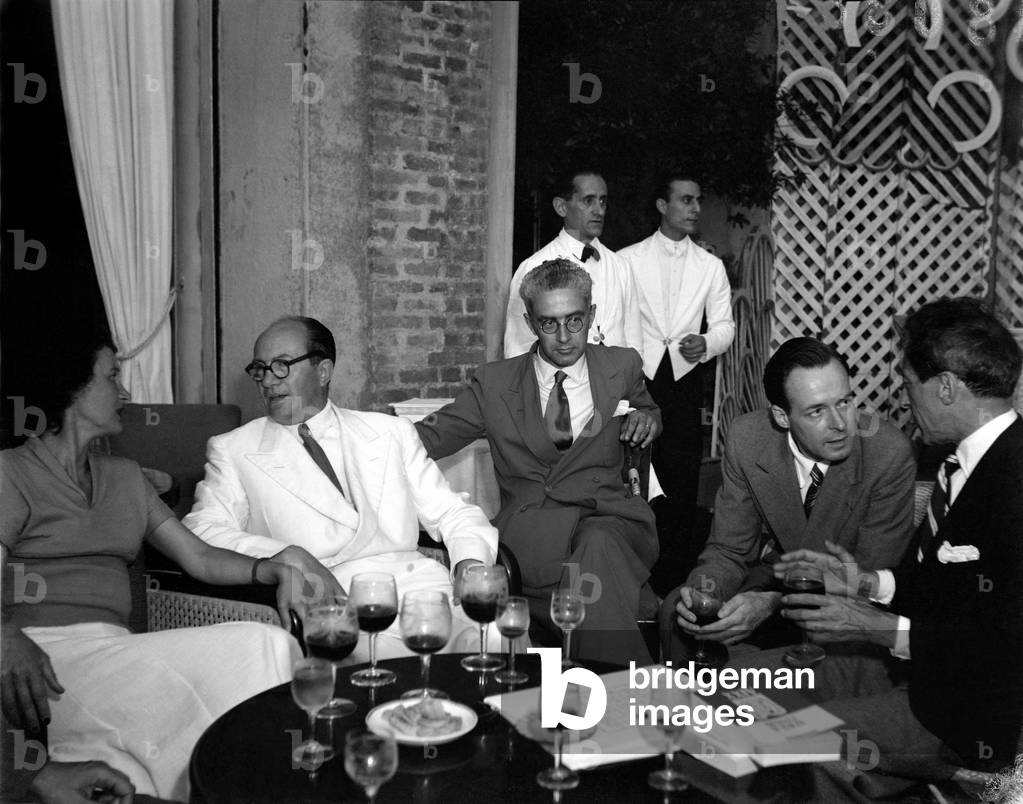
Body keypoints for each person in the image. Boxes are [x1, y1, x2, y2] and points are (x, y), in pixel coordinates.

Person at [0, 332, 303, 802]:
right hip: (43, 664)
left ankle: (259, 786)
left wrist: (268, 568)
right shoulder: (11, 472)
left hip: (114, 651)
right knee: (261, 644)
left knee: (268, 645)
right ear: (72, 389)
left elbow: (198, 556)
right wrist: (4, 636)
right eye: (112, 377)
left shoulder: (125, 476)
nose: (125, 393)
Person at [774, 297, 1023, 792]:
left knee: (795, 738)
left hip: (971, 720)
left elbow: (1005, 646)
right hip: (921, 675)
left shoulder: (1014, 480)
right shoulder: (962, 464)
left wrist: (881, 627)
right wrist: (867, 583)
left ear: (945, 387)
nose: (905, 401)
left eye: (909, 384)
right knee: (760, 689)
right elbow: (946, 590)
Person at [183, 316, 501, 661]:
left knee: (504, 641)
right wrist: (285, 554)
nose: (268, 381)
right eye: (260, 369)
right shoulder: (234, 449)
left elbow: (452, 511)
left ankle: (513, 693)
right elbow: (201, 530)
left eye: (281, 366)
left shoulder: (391, 432)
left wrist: (470, 563)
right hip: (332, 605)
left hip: (421, 594)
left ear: (323, 371)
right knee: (382, 668)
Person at [417, 259, 661, 666]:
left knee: (598, 543)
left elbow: (647, 407)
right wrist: (353, 440)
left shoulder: (621, 366)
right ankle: (618, 686)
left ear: (591, 315)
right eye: (549, 324)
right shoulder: (495, 384)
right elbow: (429, 437)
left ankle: (606, 680)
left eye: (575, 321)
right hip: (532, 532)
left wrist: (647, 418)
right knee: (593, 563)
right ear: (530, 323)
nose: (564, 337)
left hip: (610, 518)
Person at [661, 337, 915, 654]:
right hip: (773, 574)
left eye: (845, 402)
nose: (840, 424)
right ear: (782, 417)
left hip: (846, 602)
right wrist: (704, 595)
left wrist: (773, 604)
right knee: (676, 611)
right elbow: (729, 549)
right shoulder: (748, 438)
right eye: (816, 411)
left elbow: (869, 581)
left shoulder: (887, 453)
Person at [619, 173, 735, 544]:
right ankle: (636, 547)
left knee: (683, 472)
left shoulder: (710, 266)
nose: (696, 208)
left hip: (685, 381)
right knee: (636, 467)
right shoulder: (627, 260)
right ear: (662, 205)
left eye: (698, 200)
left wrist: (706, 343)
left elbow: (725, 327)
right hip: (640, 377)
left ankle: (679, 554)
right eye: (686, 200)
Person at [503, 168, 641, 358]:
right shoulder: (533, 266)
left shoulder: (621, 265)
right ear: (561, 207)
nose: (599, 210)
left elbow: (633, 337)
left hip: (617, 374)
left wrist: (634, 373)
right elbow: (518, 345)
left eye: (602, 201)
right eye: (588, 201)